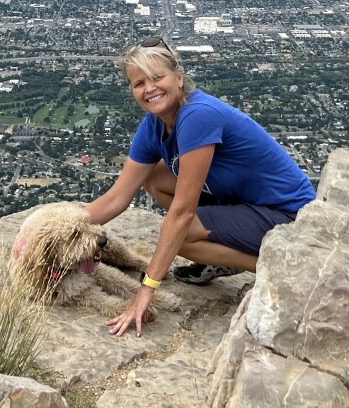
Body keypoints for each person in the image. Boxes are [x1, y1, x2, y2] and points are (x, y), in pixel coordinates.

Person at [85, 35, 315, 337]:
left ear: (179, 78)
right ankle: (220, 251)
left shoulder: (197, 115)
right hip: (247, 206)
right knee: (153, 176)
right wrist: (54, 230)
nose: (149, 89)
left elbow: (181, 214)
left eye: (157, 78)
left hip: (289, 217)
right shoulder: (154, 125)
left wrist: (145, 291)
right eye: (139, 83)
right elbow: (117, 197)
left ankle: (275, 270)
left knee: (182, 236)